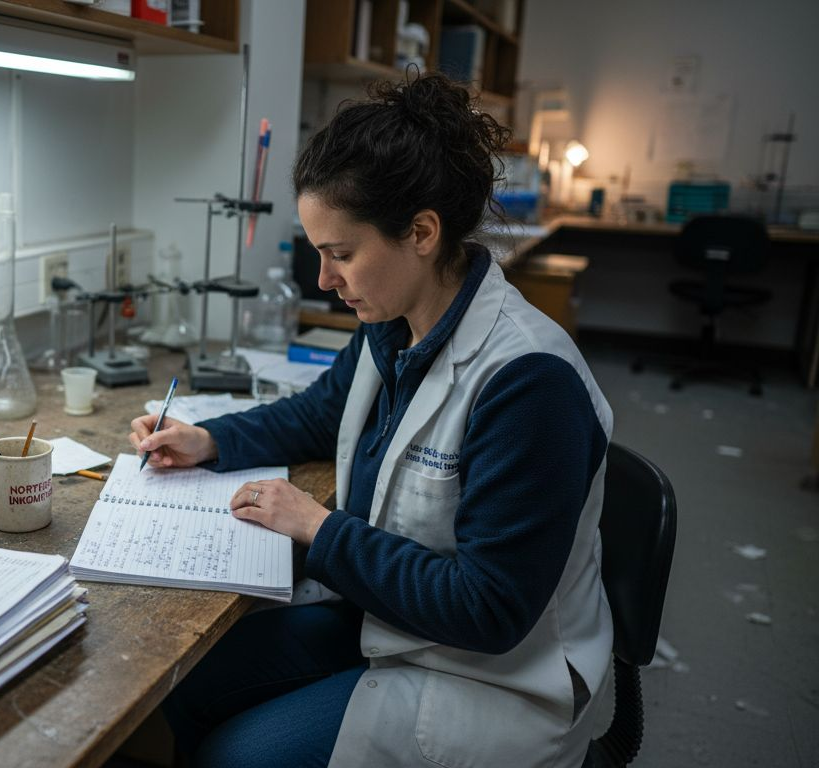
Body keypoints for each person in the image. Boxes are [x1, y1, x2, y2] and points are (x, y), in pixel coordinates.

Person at [129, 72, 614, 768]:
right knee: (185, 676)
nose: (323, 280)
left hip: (492, 677)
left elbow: (490, 610)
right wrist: (210, 440)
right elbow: (322, 413)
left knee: (237, 757)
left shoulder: (528, 380)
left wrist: (319, 527)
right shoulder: (395, 322)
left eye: (341, 253)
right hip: (393, 625)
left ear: (421, 232)